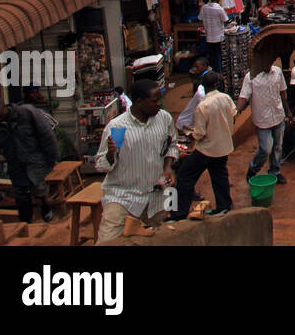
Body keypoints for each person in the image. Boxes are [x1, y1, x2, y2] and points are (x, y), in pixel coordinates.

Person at [93, 79, 179, 243]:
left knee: (161, 237)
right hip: (123, 197)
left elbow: (172, 146)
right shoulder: (118, 128)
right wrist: (111, 153)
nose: (159, 104)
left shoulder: (164, 119)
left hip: (156, 196)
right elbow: (101, 166)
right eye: (155, 101)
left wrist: (168, 167)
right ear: (139, 102)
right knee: (107, 242)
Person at [0, 98, 58, 223]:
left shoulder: (27, 113)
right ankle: (26, 220)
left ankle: (44, 206)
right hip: (15, 163)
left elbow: (47, 135)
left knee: (39, 188)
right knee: (21, 194)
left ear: (5, 108)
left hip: (35, 160)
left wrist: (52, 157)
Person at [172, 71, 235, 219]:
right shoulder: (226, 98)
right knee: (219, 176)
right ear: (216, 85)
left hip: (206, 149)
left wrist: (190, 133)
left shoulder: (203, 106)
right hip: (223, 147)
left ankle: (179, 213)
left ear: (203, 86)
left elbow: (200, 133)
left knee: (184, 176)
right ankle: (224, 206)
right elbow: (233, 114)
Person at [237, 54, 292, 184]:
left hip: (278, 116)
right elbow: (243, 96)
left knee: (278, 147)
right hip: (262, 120)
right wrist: (236, 110)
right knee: (265, 148)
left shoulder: (277, 72)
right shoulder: (251, 77)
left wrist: (287, 111)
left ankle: (275, 171)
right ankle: (253, 169)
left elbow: (283, 92)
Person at [175, 56, 212, 130]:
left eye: (197, 67)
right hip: (188, 123)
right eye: (195, 67)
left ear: (204, 66)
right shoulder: (201, 87)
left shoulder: (201, 83)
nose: (195, 69)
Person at [198, 0, 228, 72]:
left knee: (211, 56)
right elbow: (225, 19)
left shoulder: (204, 8)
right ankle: (218, 72)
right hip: (218, 37)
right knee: (218, 55)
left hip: (209, 37)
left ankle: (212, 71)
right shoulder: (219, 9)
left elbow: (200, 17)